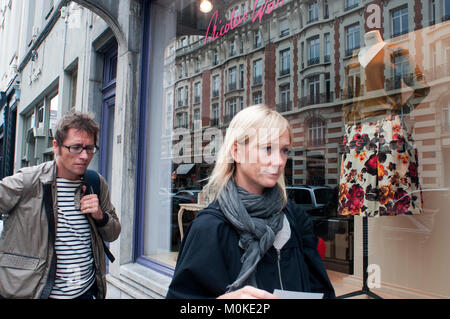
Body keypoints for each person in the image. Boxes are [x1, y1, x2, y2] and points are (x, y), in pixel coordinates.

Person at [166, 104, 335, 299]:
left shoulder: (294, 217)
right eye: (267, 148)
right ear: (237, 152)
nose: (279, 161)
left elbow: (322, 291)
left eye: (284, 150)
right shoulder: (209, 227)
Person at [0, 111, 121, 299]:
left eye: (89, 148)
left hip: (86, 292)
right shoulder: (29, 181)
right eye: (76, 147)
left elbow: (113, 233)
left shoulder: (95, 182)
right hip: (39, 293)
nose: (84, 156)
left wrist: (100, 216)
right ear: (56, 146)